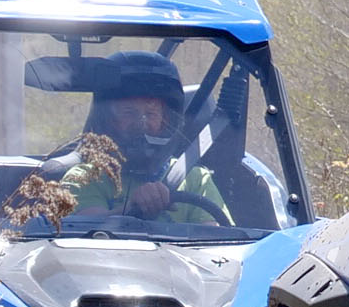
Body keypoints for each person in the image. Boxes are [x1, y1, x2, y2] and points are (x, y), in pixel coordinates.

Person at [60, 51, 228, 224]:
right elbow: (80, 232)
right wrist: (130, 209)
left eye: (151, 113)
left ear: (166, 121)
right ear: (107, 119)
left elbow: (220, 242)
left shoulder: (195, 179)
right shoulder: (84, 177)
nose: (141, 123)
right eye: (129, 112)